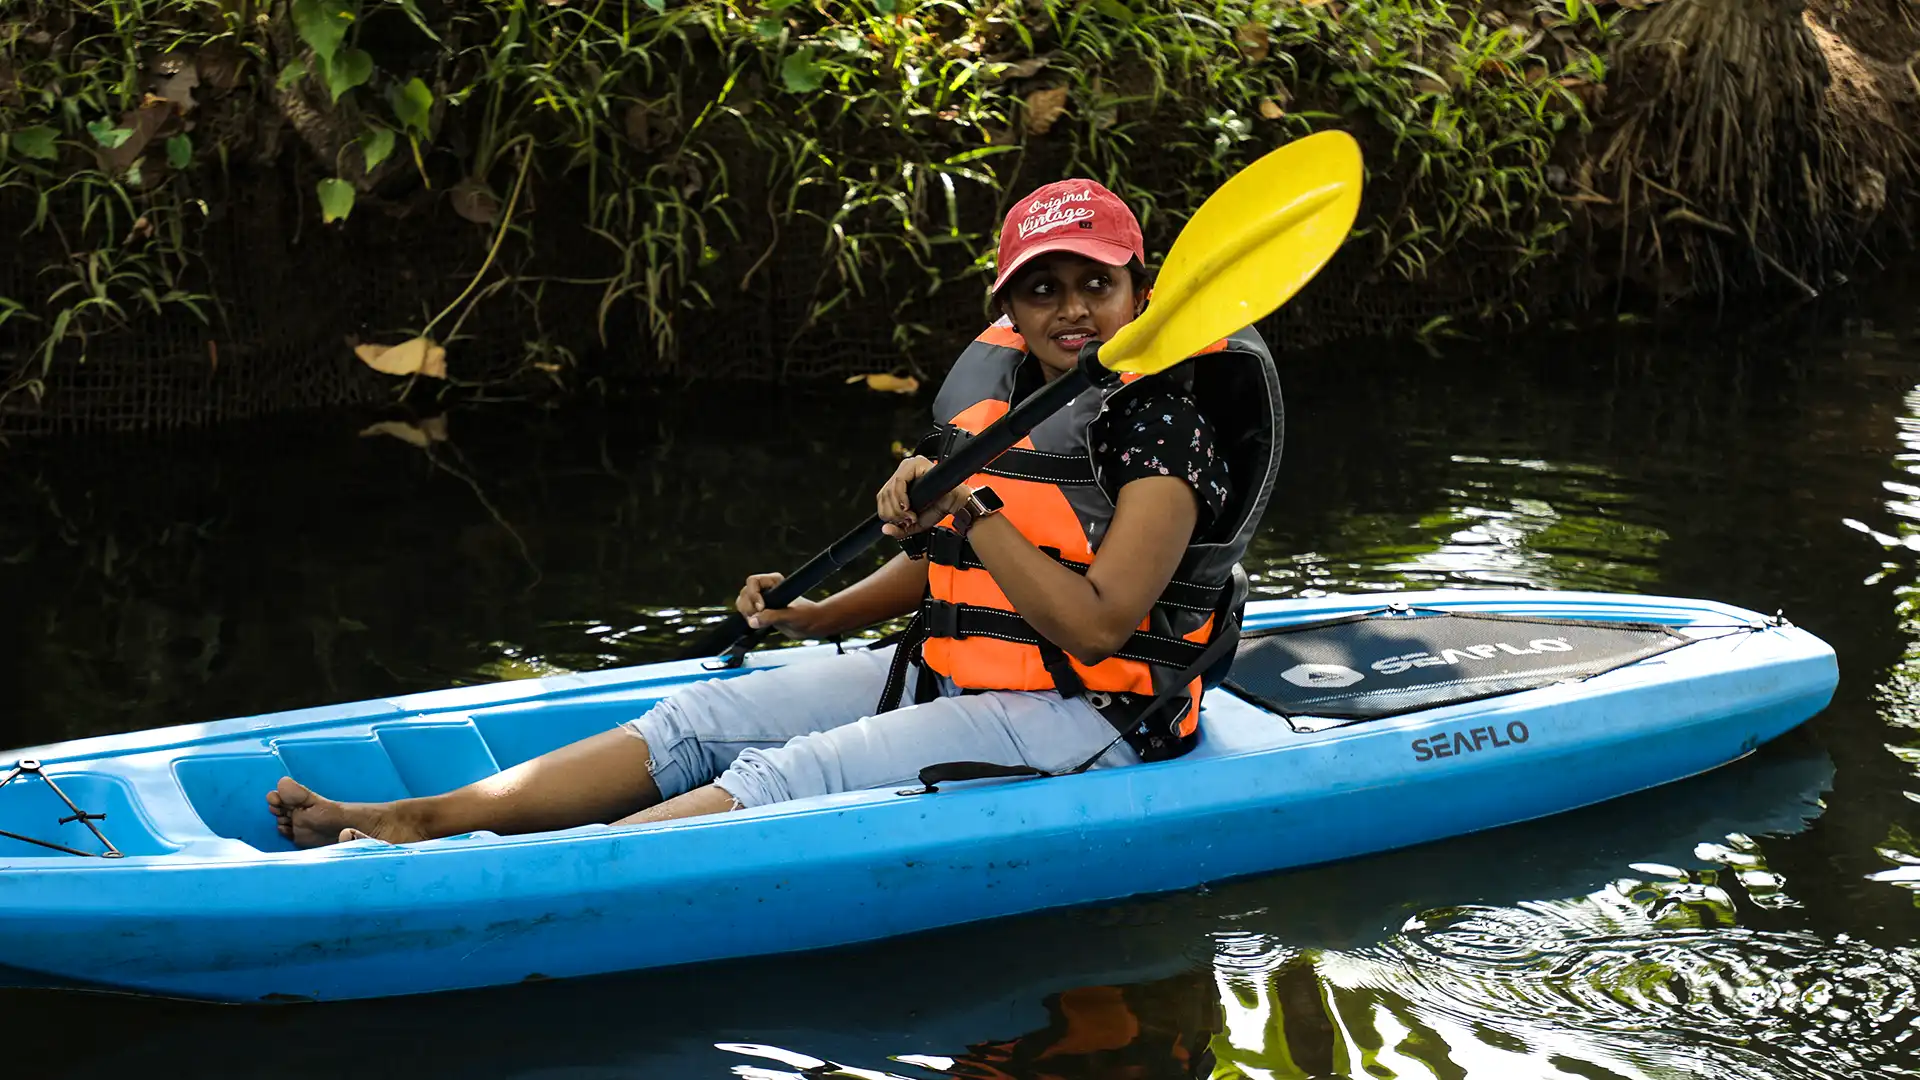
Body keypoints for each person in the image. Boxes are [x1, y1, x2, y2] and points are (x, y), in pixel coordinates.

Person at [266, 178, 1281, 847]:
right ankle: (419, 819)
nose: (1070, 308)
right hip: (966, 672)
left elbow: (1101, 621)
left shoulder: (1163, 432)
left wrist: (969, 515)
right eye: (1042, 288)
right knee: (702, 717)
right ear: (1006, 309)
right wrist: (819, 618)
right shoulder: (1010, 397)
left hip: (1095, 714)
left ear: (1138, 290)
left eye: (1095, 284)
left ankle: (551, 869)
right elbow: (951, 578)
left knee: (798, 770)